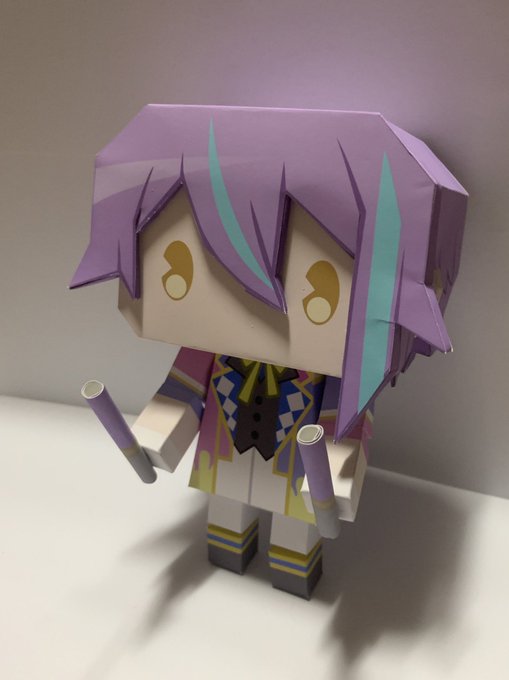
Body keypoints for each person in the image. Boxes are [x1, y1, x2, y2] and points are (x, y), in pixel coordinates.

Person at [71, 105, 467, 598]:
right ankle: (229, 549)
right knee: (225, 517)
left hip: (294, 467)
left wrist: (337, 475)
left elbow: (344, 418)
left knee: (293, 537)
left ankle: (292, 569)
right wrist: (154, 437)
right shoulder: (208, 351)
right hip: (224, 454)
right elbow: (183, 392)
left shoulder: (333, 368)